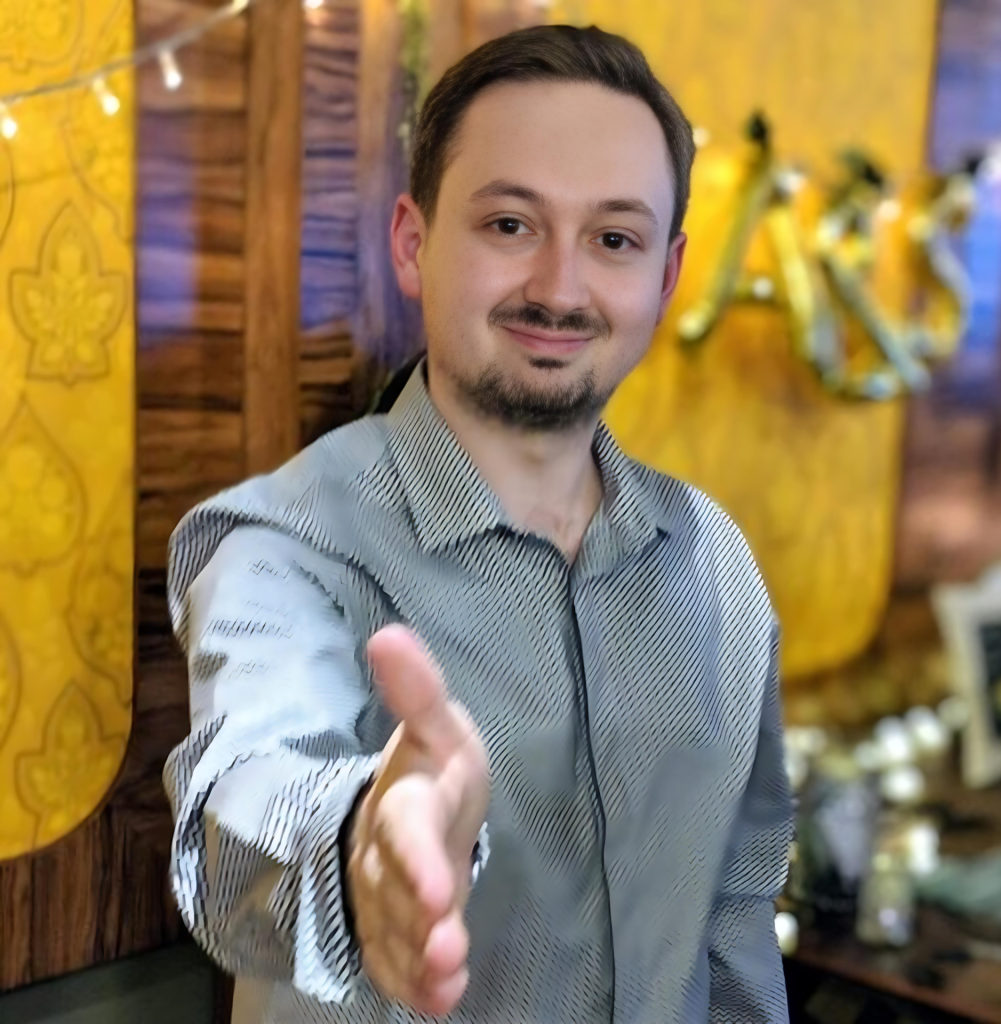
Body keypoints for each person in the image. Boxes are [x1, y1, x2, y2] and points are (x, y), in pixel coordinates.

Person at [164, 24, 792, 1024]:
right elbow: (244, 805)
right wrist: (362, 844)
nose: (559, 288)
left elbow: (737, 910)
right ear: (413, 243)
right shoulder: (285, 548)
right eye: (510, 224)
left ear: (667, 275)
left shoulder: (715, 560)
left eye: (614, 239)